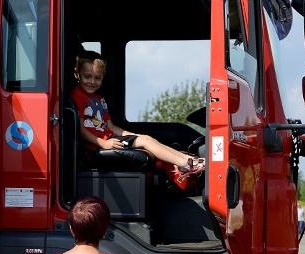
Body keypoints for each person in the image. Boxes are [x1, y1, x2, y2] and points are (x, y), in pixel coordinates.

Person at [70, 51, 204, 175]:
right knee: (146, 141)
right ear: (77, 74)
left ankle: (187, 159)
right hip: (97, 144)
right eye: (87, 77)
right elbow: (80, 129)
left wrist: (133, 135)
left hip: (109, 138)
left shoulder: (100, 99)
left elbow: (111, 127)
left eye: (97, 78)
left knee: (146, 139)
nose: (92, 82)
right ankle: (185, 164)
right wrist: (103, 143)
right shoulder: (77, 95)